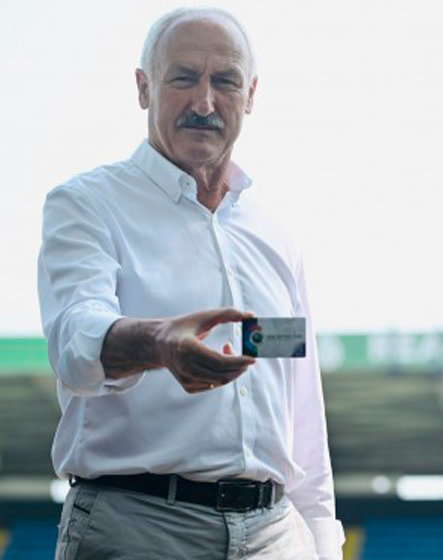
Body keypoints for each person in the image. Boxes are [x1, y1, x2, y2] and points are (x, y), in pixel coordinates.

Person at [37, 7, 344, 559]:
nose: (204, 102)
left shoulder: (275, 238)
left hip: (275, 534)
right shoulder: (88, 205)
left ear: (249, 94)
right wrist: (158, 344)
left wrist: (323, 542)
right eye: (184, 78)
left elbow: (301, 414)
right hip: (140, 528)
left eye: (223, 81)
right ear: (143, 87)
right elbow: (76, 340)